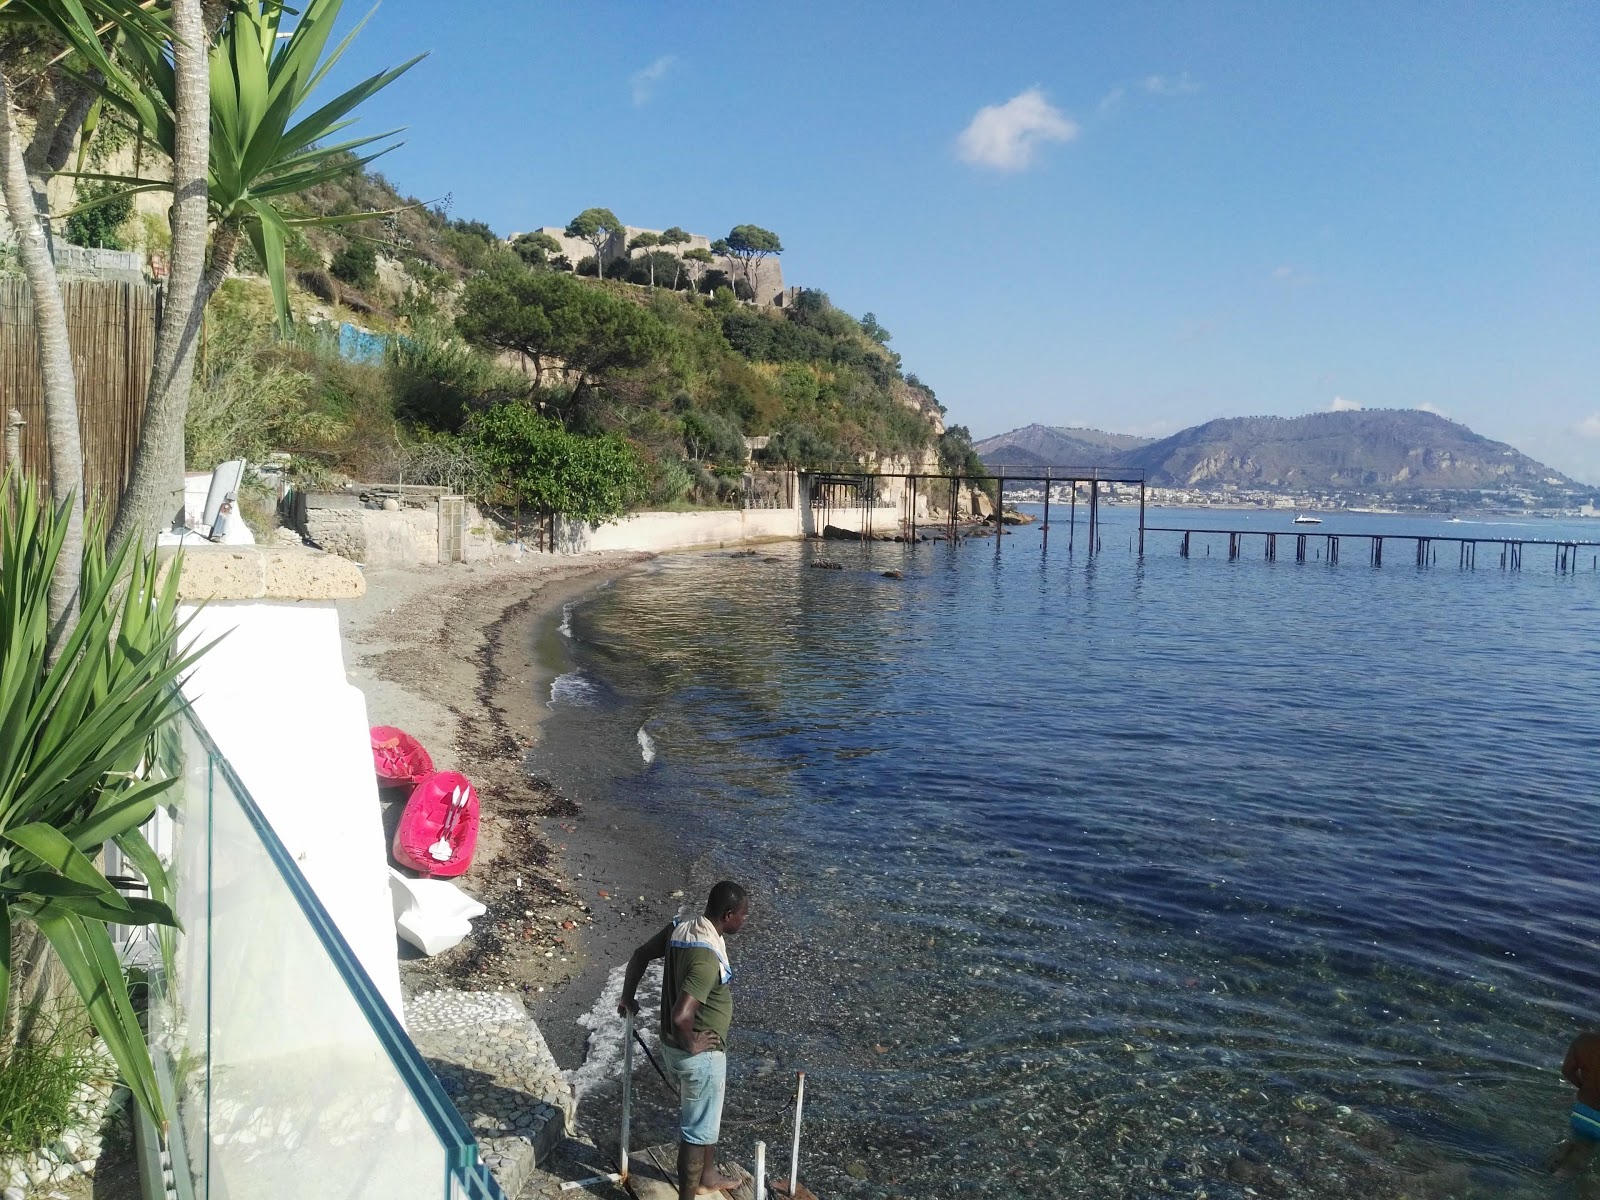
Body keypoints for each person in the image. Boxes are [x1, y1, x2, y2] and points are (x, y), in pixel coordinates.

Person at [619, 881, 750, 1199]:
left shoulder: (683, 927)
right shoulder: (705, 960)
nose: (745, 921)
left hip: (673, 1048)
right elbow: (681, 1016)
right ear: (728, 914)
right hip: (697, 1057)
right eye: (743, 915)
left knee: (706, 1118)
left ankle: (707, 1176)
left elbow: (639, 955)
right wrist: (692, 1043)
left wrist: (627, 997)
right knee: (695, 1133)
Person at [1554, 1030, 1600, 1175]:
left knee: (1578, 1143)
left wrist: (1585, 1088)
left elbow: (1567, 1070)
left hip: (1582, 1112)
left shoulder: (1583, 1040)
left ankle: (1556, 1163)